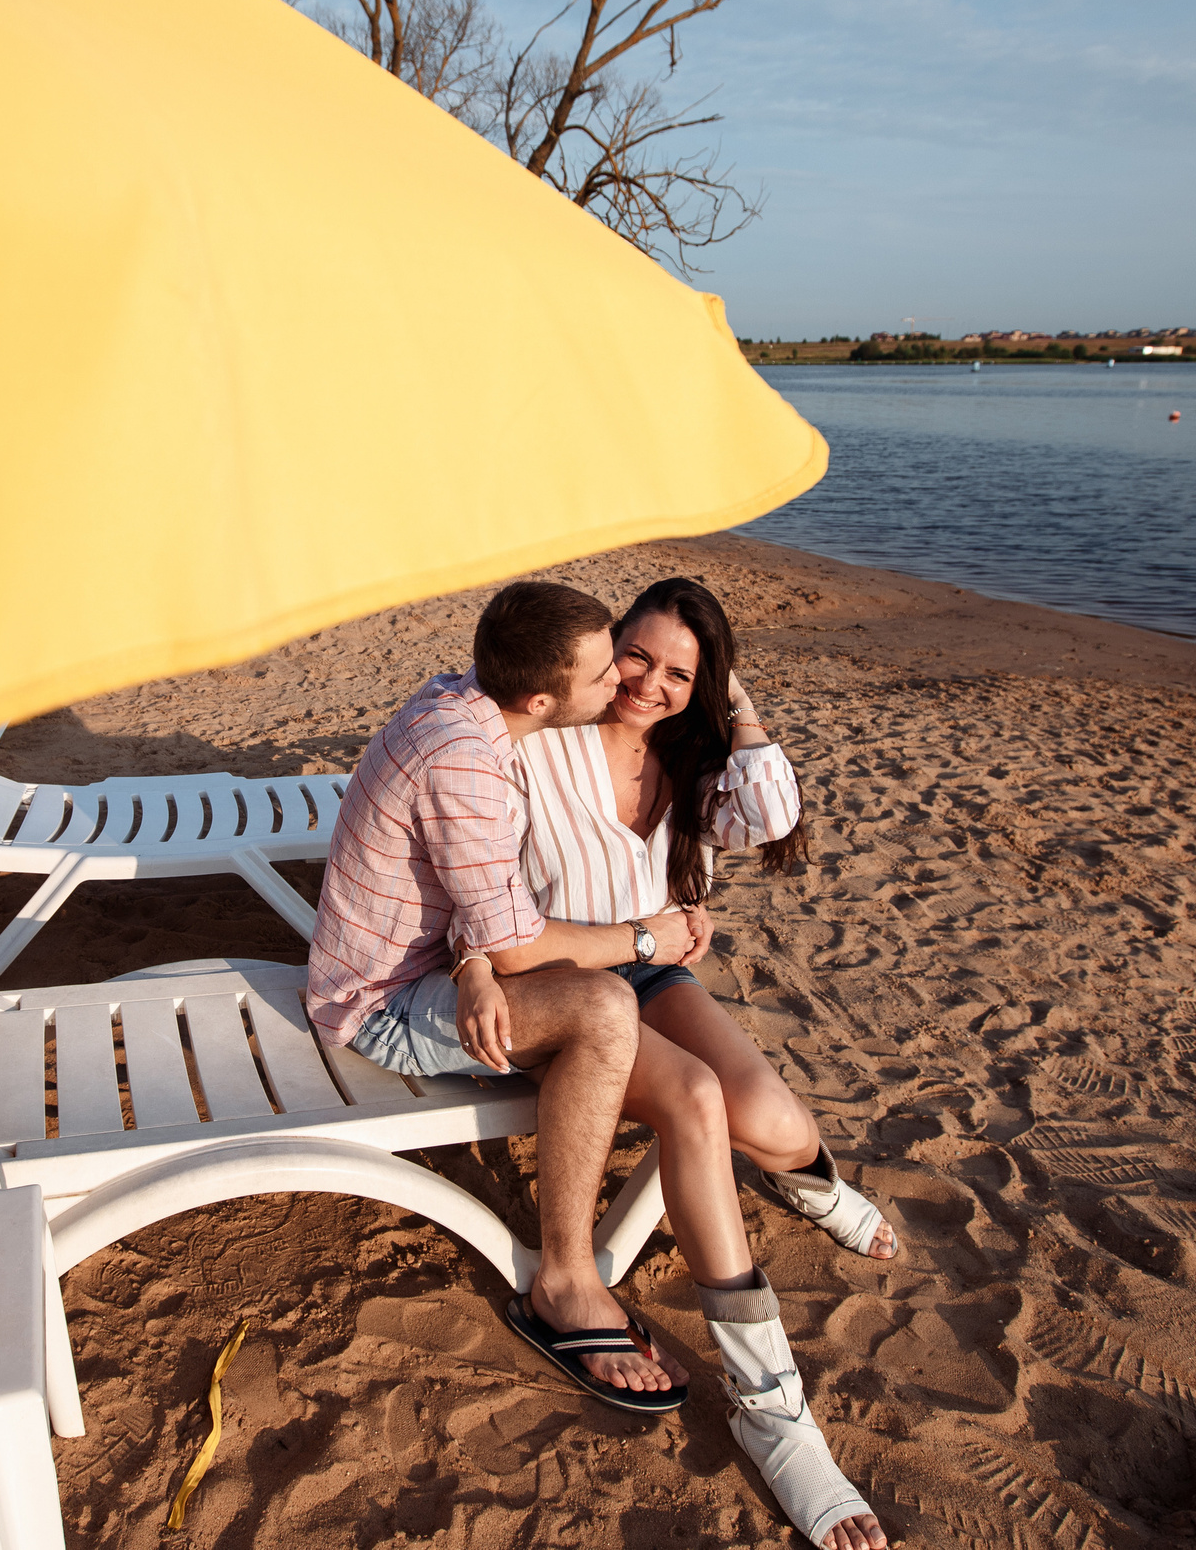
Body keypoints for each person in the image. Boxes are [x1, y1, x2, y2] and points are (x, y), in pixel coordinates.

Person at [499, 575, 891, 1550]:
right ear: (606, 646)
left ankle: (810, 1183)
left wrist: (730, 696)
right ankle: (773, 1411)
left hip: (649, 975)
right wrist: (640, 934)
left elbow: (770, 813)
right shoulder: (545, 739)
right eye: (636, 656)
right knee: (699, 1098)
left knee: (777, 1122)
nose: (649, 684)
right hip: (563, 989)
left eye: (679, 672)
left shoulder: (686, 755)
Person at [304, 580, 709, 1414]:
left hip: (430, 965)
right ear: (540, 699)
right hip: (379, 1002)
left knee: (610, 1008)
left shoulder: (463, 702)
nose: (621, 683)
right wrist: (647, 938)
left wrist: (476, 963)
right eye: (603, 673)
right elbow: (520, 939)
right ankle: (565, 1281)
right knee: (604, 1011)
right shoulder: (466, 761)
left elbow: (481, 897)